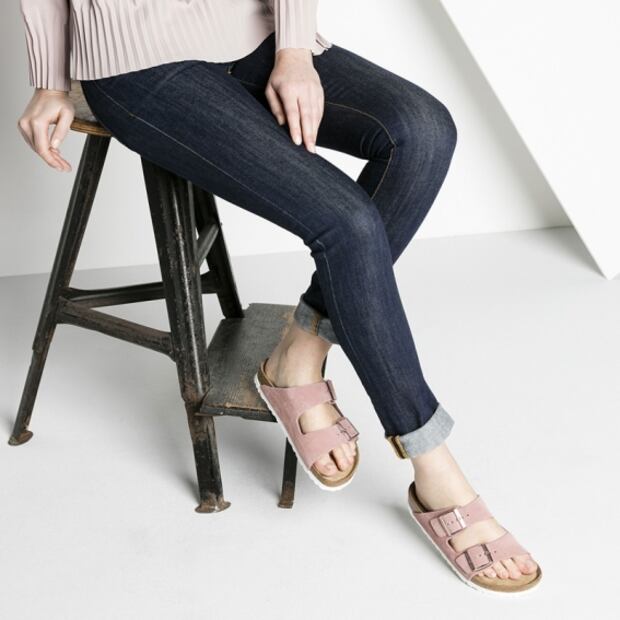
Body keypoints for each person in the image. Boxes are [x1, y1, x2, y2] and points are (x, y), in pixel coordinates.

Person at [16, 0, 541, 594]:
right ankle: (434, 468)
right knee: (346, 223)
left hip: (250, 27)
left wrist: (293, 50)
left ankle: (298, 352)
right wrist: (50, 81)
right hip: (136, 62)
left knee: (423, 132)